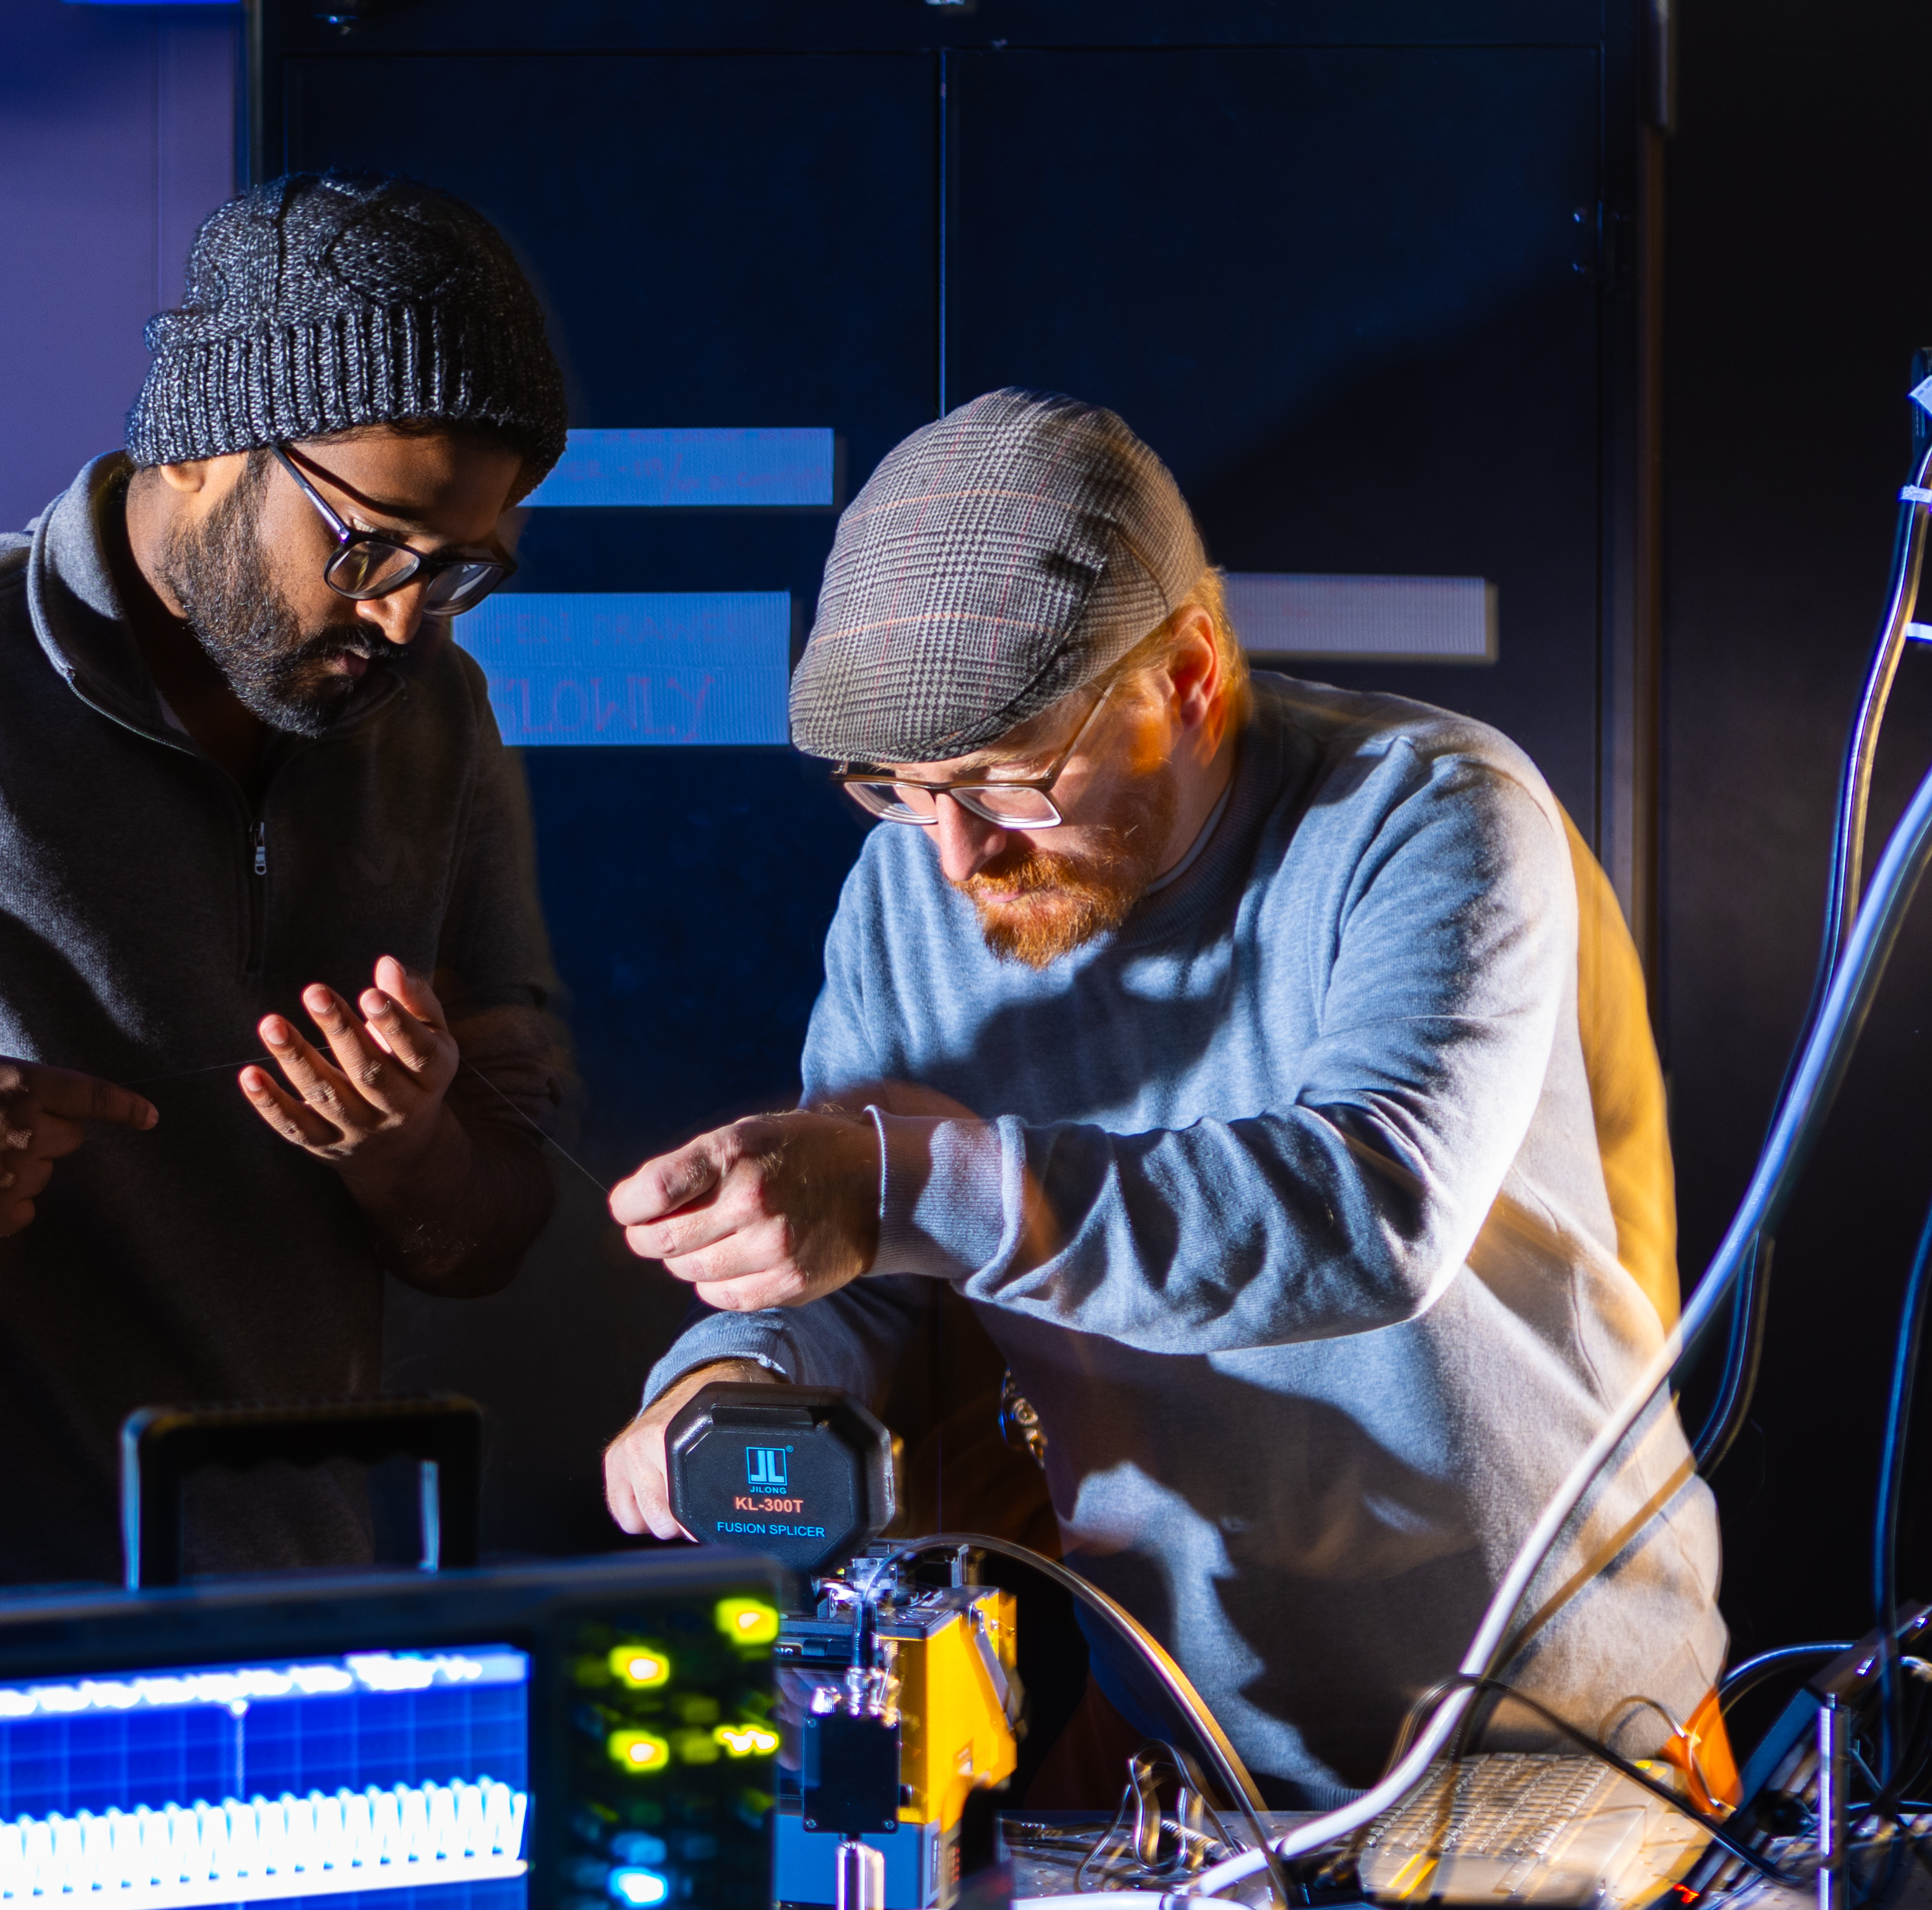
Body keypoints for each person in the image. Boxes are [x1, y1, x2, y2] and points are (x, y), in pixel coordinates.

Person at [599, 389, 1720, 1805]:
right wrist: (734, 1378)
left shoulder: (1425, 809)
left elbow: (1368, 1208)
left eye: (1011, 780)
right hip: (1184, 1741)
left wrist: (893, 1183)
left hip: (1545, 1734)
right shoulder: (905, 889)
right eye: (892, 789)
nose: (954, 858)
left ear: (1187, 670)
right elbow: (877, 1276)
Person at [0, 176, 580, 1793]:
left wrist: (411, 1153)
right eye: (368, 545)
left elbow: (491, 1231)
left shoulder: (433, 720)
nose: (410, 612)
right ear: (203, 445)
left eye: (464, 568)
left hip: (320, 1657)